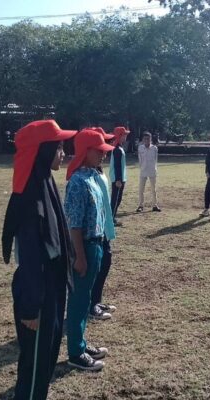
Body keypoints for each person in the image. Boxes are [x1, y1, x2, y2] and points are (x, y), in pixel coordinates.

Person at [1, 120, 77, 399]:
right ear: (42, 151)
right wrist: (31, 307)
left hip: (51, 283)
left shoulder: (45, 181)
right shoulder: (31, 195)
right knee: (34, 365)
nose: (63, 153)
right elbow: (31, 254)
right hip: (38, 289)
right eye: (57, 147)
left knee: (46, 357)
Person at [64, 129, 113, 371]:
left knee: (85, 301)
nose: (103, 155)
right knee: (78, 301)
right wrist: (80, 256)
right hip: (83, 246)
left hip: (96, 244)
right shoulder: (77, 182)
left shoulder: (92, 177)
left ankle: (81, 344)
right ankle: (75, 352)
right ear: (85, 152)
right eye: (99, 151)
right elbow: (74, 224)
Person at [90, 127, 118, 321]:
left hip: (105, 227)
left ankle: (96, 300)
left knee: (105, 262)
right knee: (100, 265)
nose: (105, 152)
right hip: (97, 230)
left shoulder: (98, 170)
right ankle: (92, 305)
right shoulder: (88, 173)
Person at [109, 126, 130, 226]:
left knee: (118, 199)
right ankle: (111, 219)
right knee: (115, 199)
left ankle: (112, 218)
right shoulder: (117, 149)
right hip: (117, 179)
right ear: (120, 136)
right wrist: (118, 179)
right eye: (124, 135)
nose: (125, 137)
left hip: (120, 178)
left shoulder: (119, 147)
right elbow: (117, 165)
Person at [137, 132, 160, 212]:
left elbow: (155, 160)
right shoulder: (140, 148)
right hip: (143, 170)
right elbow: (140, 159)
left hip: (152, 170)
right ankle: (140, 205)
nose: (147, 140)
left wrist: (155, 169)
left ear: (151, 139)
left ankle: (155, 205)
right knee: (141, 189)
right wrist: (141, 167)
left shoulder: (154, 148)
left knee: (153, 189)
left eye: (148, 139)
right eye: (145, 139)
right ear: (143, 140)